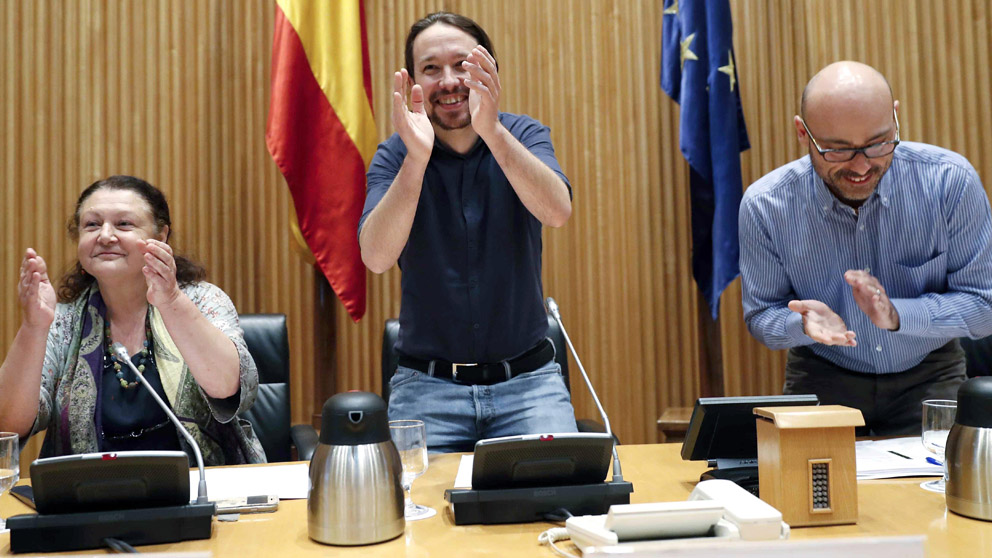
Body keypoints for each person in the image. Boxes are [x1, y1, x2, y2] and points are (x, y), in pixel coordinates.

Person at [359, 12, 577, 452]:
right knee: (414, 515)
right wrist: (416, 160)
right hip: (427, 390)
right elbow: (376, 257)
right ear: (413, 83)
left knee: (558, 504)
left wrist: (491, 130)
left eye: (462, 64)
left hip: (529, 386)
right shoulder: (395, 154)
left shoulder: (523, 133)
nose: (449, 81)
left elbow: (557, 211)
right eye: (431, 69)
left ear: (489, 70)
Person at [740, 61, 992, 435]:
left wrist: (899, 315)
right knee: (813, 492)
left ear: (895, 117)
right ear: (802, 133)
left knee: (936, 492)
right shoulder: (766, 205)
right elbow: (761, 315)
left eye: (877, 143)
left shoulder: (949, 183)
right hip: (822, 377)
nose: (861, 166)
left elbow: (984, 305)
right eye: (838, 150)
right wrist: (803, 325)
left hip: (931, 375)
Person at [0, 175, 265, 465]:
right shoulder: (62, 321)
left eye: (124, 224)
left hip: (201, 489)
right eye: (91, 224)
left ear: (161, 236)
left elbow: (228, 386)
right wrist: (33, 327)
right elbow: (8, 425)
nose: (104, 235)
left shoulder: (203, 301)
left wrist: (172, 301)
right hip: (88, 497)